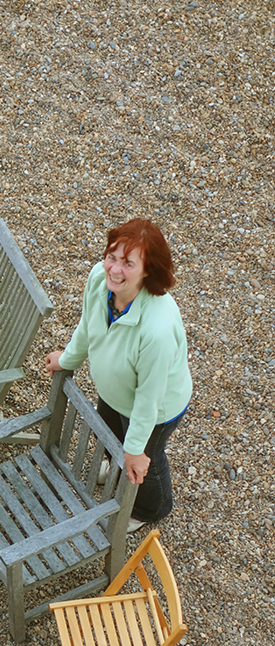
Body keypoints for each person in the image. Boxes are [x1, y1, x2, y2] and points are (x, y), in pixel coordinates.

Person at [45, 218, 192, 533]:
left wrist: (136, 450)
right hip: (115, 392)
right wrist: (67, 359)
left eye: (128, 263)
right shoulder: (99, 279)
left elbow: (149, 399)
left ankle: (150, 508)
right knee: (110, 436)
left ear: (147, 270)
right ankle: (116, 466)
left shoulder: (157, 330)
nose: (114, 269)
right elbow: (87, 327)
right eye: (112, 257)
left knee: (144, 459)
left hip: (156, 409)